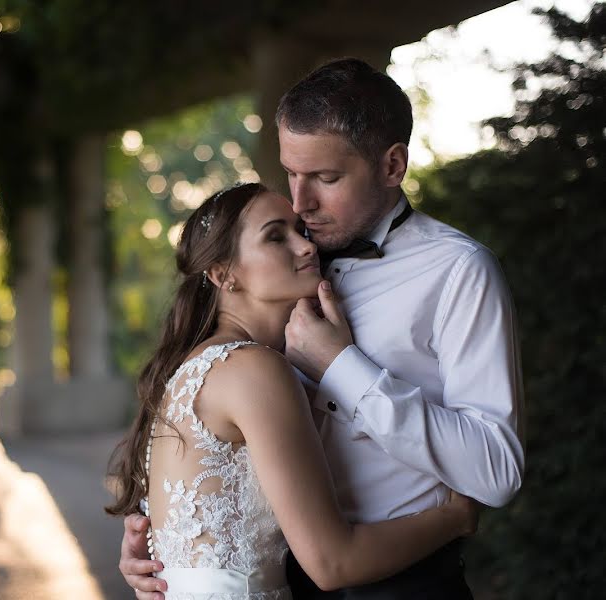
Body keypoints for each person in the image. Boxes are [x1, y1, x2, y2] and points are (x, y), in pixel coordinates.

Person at [118, 59, 524, 599]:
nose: (302, 205)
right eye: (291, 173)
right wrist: (175, 553)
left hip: (404, 582)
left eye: (326, 179)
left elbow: (497, 471)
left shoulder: (458, 272)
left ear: (392, 165)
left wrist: (343, 369)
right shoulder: (278, 273)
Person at [107, 182, 479, 600]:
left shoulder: (192, 367)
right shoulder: (252, 368)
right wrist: (456, 516)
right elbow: (333, 562)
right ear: (223, 273)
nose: (306, 247)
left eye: (300, 231)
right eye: (275, 236)